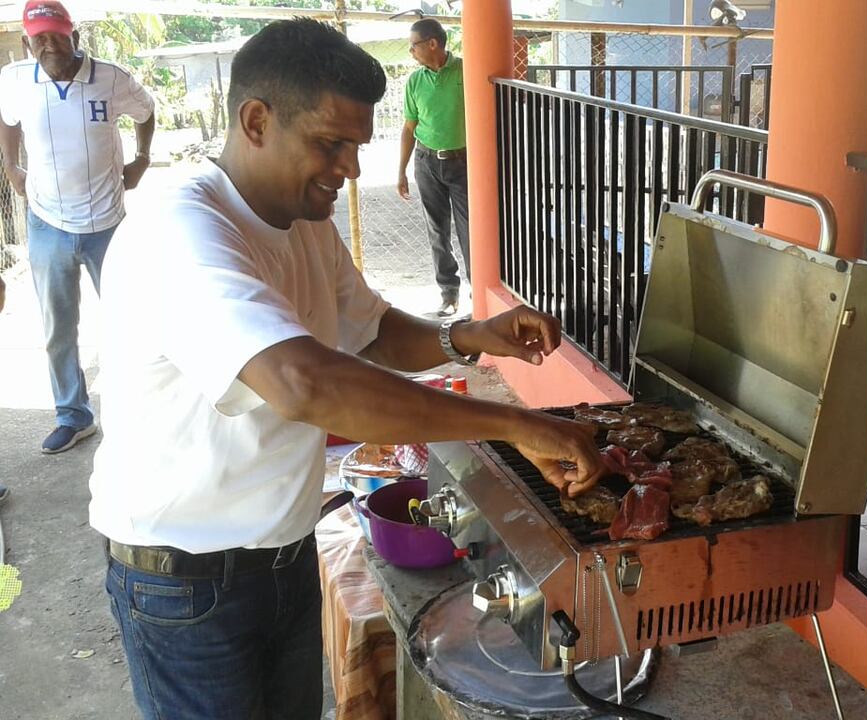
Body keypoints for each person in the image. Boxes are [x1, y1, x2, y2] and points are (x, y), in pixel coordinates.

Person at [89, 19, 602, 720]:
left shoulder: (304, 221)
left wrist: (472, 336)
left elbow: (376, 333)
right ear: (256, 120)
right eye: (331, 144)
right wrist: (515, 425)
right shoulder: (183, 233)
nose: (351, 170)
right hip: (185, 585)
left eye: (358, 146)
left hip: (282, 556)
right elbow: (306, 384)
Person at [0, 0, 155, 454]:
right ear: (29, 42)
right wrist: (11, 167)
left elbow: (145, 112)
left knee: (131, 320)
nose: (48, 45)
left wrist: (143, 159)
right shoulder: (14, 80)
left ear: (75, 37)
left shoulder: (111, 78)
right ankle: (74, 416)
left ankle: (141, 409)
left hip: (108, 223)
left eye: (56, 35)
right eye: (39, 37)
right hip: (47, 222)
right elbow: (7, 120)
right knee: (59, 328)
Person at [396, 17, 470, 317]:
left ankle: (481, 293)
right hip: (426, 163)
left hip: (463, 163)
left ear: (432, 44)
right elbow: (409, 127)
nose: (410, 51)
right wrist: (400, 170)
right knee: (437, 231)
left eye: (413, 46)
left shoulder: (465, 71)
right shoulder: (414, 81)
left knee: (470, 231)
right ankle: (449, 295)